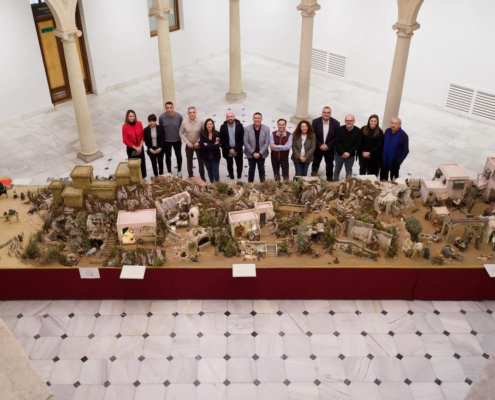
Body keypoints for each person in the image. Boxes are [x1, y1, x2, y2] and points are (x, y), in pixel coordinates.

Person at [312, 106, 340, 181]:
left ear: (330, 114)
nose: (326, 114)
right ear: (322, 113)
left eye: (328, 113)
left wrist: (328, 145)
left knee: (329, 165)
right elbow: (313, 135)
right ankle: (313, 178)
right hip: (318, 148)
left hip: (329, 149)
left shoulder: (336, 123)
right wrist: (319, 145)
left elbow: (337, 137)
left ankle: (329, 179)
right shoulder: (315, 122)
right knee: (315, 164)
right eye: (324, 112)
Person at [179, 106, 205, 181]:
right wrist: (187, 142)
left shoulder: (201, 121)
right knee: (189, 161)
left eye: (193, 112)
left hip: (198, 145)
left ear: (196, 113)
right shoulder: (184, 122)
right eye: (190, 113)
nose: (192, 114)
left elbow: (204, 133)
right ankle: (190, 175)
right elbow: (181, 133)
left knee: (201, 161)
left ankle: (202, 176)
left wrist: (199, 141)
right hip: (189, 145)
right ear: (188, 113)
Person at [244, 112, 270, 183]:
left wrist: (260, 153)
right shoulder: (247, 129)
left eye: (259, 118)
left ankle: (263, 184)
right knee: (251, 169)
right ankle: (250, 184)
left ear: (261, 119)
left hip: (262, 154)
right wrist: (253, 152)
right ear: (253, 119)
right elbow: (245, 142)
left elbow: (267, 142)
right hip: (251, 154)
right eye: (255, 118)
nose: (257, 120)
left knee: (261, 169)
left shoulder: (266, 129)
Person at [159, 101, 183, 177]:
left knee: (178, 156)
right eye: (167, 108)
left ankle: (179, 170)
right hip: (166, 141)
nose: (169, 109)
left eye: (170, 107)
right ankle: (169, 171)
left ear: (173, 108)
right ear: (165, 108)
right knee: (168, 157)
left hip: (177, 140)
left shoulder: (179, 116)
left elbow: (182, 128)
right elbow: (161, 130)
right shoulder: (161, 117)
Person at [334, 115, 361, 181]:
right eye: (347, 121)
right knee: (337, 170)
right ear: (345, 121)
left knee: (349, 171)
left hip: (350, 156)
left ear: (354, 121)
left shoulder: (358, 131)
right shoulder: (340, 129)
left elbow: (357, 144)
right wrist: (343, 152)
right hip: (339, 155)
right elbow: (337, 142)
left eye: (350, 121)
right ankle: (335, 183)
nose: (349, 122)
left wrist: (349, 153)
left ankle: (348, 184)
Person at [219, 111, 244, 182]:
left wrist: (235, 149)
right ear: (226, 118)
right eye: (228, 117)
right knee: (229, 166)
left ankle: (239, 178)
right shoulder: (223, 127)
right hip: (228, 150)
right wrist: (230, 149)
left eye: (231, 116)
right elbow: (222, 139)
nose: (230, 118)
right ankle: (231, 178)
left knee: (239, 165)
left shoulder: (239, 126)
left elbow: (242, 138)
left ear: (234, 117)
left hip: (238, 150)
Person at [122, 109, 146, 179]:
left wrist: (140, 147)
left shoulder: (139, 123)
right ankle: (135, 179)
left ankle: (143, 177)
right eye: (130, 116)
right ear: (127, 117)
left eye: (133, 116)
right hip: (131, 148)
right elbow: (125, 140)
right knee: (134, 165)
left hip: (140, 147)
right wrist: (136, 148)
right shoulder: (125, 126)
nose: (132, 118)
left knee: (142, 163)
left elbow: (142, 136)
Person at [199, 118, 221, 183]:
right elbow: (202, 146)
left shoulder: (217, 134)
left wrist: (207, 144)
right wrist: (212, 145)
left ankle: (217, 184)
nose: (209, 125)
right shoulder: (202, 134)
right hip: (206, 156)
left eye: (210, 124)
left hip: (215, 156)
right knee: (209, 171)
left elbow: (217, 146)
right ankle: (212, 183)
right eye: (207, 124)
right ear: (205, 125)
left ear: (213, 125)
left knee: (215, 172)